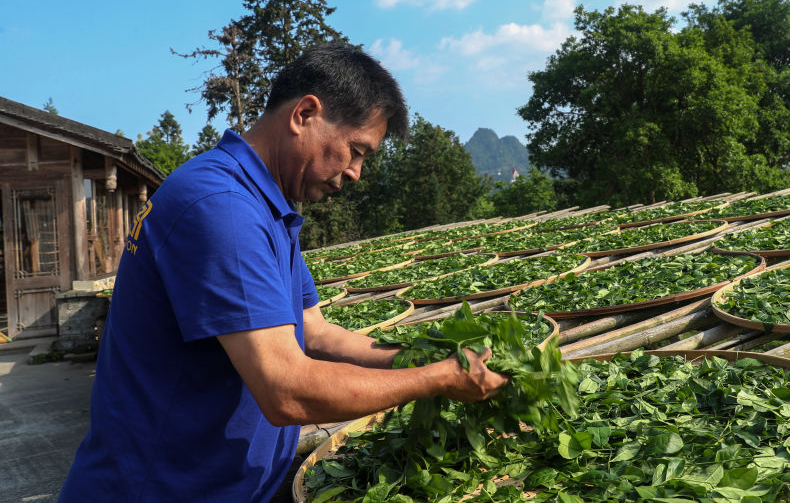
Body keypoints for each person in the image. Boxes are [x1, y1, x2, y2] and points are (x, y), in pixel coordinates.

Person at [60, 43, 508, 501]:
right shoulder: (222, 208)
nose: (355, 173)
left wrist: (421, 358)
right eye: (355, 150)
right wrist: (438, 379)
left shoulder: (263, 205)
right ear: (305, 114)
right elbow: (287, 390)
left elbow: (315, 331)